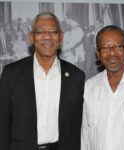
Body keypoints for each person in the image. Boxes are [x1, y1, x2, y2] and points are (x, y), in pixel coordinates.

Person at [0, 12, 85, 150]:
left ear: (61, 37)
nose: (47, 36)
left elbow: (76, 128)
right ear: (31, 37)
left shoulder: (76, 77)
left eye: (53, 31)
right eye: (40, 32)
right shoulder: (11, 73)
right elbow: (2, 124)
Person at [81, 25, 124, 150]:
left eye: (118, 46)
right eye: (105, 48)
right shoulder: (89, 87)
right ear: (98, 53)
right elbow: (86, 135)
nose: (112, 52)